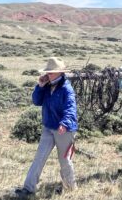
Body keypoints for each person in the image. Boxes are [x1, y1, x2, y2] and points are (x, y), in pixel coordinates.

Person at [15, 57, 78, 197]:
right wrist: (40, 86)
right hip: (49, 127)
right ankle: (28, 188)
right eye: (48, 72)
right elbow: (36, 101)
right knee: (39, 157)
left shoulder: (66, 88)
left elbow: (70, 108)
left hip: (64, 130)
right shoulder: (47, 85)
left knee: (64, 160)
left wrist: (65, 123)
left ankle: (70, 188)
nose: (48, 74)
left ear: (60, 73)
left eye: (51, 72)